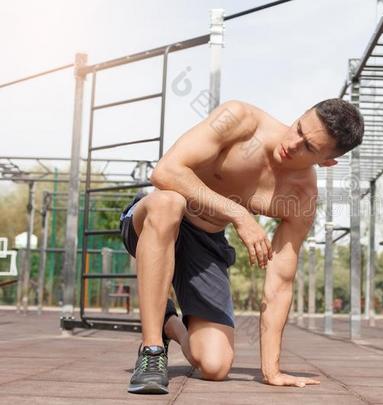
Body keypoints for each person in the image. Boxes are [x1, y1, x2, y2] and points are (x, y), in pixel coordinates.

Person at [120, 98, 364, 394]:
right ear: (301, 114)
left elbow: (280, 283)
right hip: (153, 220)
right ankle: (152, 352)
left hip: (205, 244)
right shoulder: (240, 119)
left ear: (327, 162)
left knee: (215, 365)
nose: (293, 143)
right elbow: (165, 172)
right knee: (170, 201)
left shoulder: (301, 197)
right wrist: (239, 214)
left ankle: (168, 322)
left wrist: (271, 369)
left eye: (309, 147)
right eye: (299, 127)